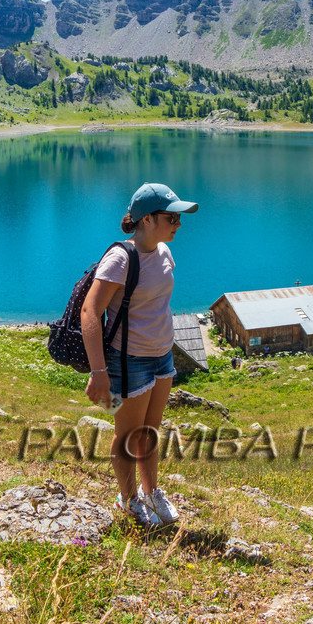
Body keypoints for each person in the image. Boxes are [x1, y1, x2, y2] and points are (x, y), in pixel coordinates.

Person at [81, 182, 197, 527]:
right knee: (127, 434)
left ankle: (152, 491)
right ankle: (128, 499)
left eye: (178, 218)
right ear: (147, 220)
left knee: (150, 430)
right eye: (171, 217)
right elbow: (90, 312)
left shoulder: (163, 251)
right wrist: (99, 371)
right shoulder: (120, 258)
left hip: (162, 355)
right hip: (127, 361)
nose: (178, 224)